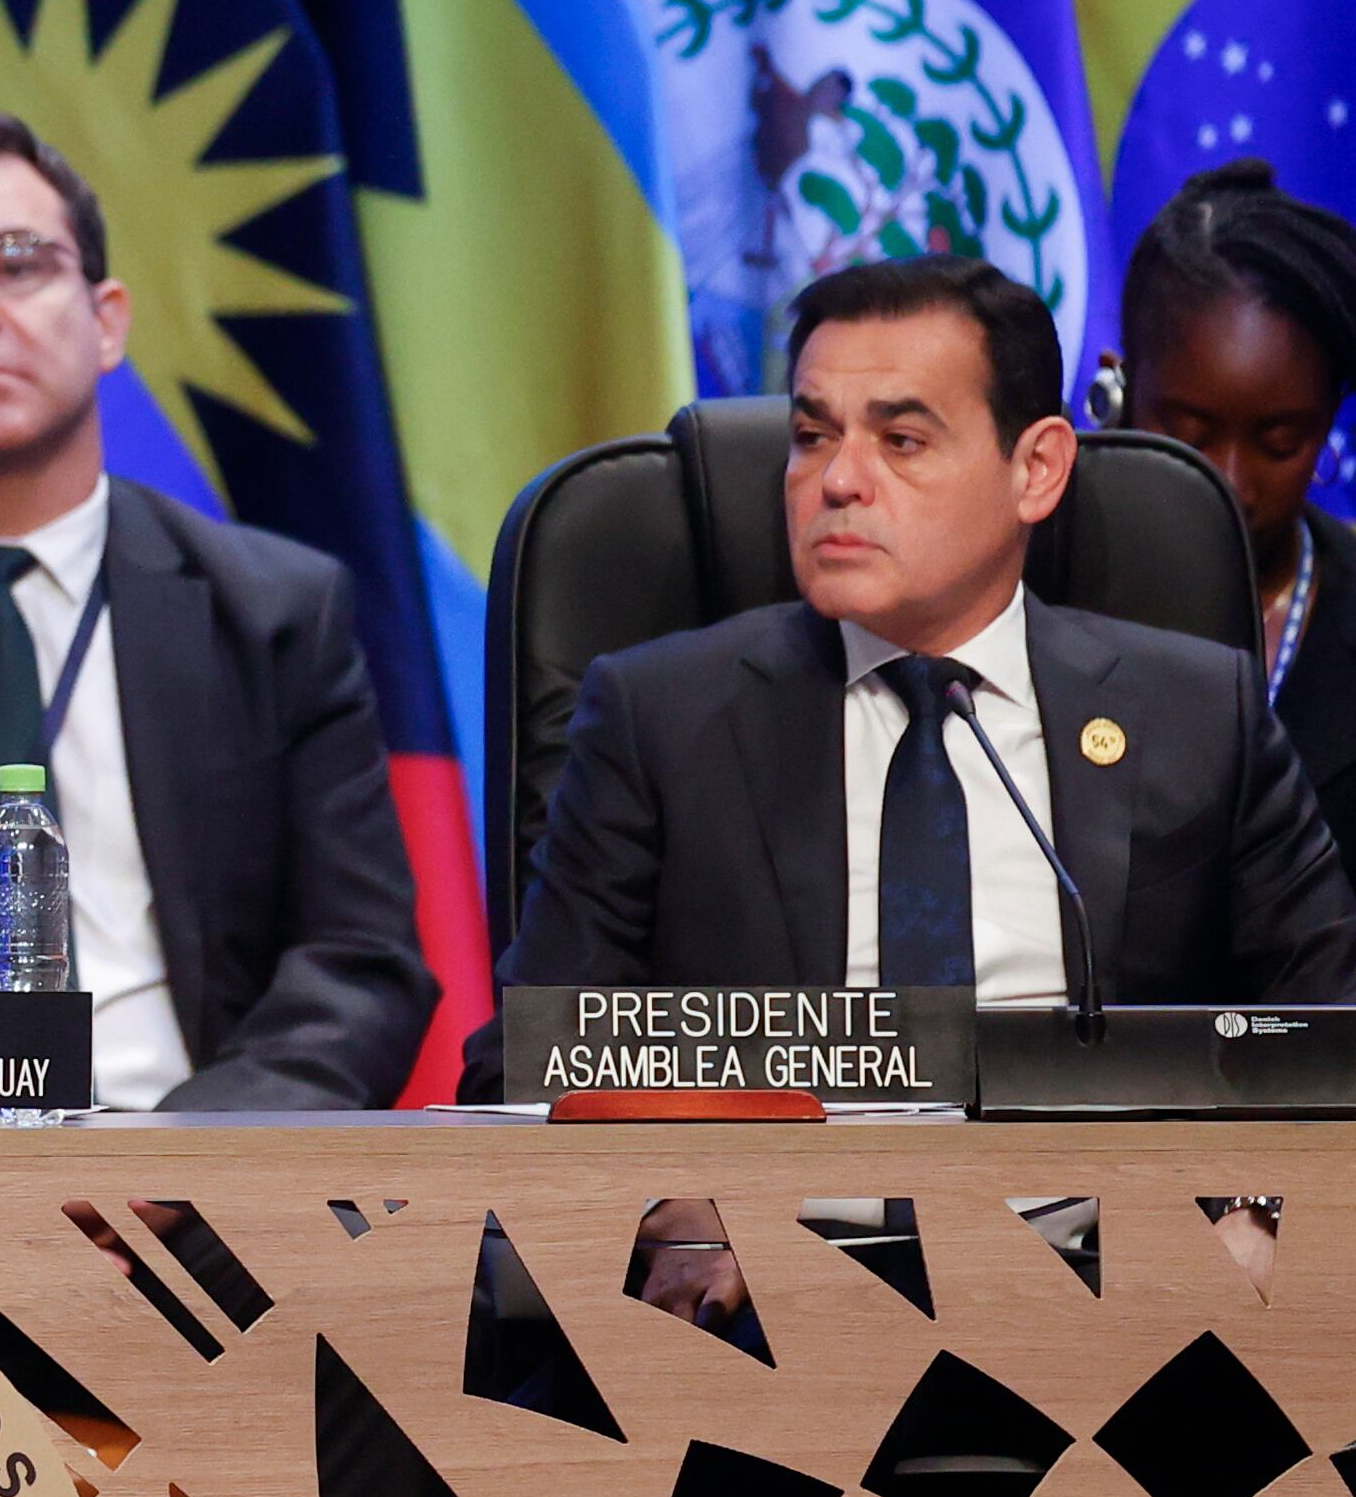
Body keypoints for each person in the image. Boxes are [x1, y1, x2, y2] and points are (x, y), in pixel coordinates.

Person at [489, 252, 1356, 1041]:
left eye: (901, 441)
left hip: (1105, 1213)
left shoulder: (1200, 715)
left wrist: (1250, 1214)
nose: (837, 480)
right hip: (767, 1211)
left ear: (1037, 470)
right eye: (812, 436)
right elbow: (524, 1071)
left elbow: (1332, 1038)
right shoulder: (661, 722)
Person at [0, 108, 435, 1109]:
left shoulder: (273, 610)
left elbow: (358, 961)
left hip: (207, 1178)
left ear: (106, 317)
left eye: (14, 262)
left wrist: (187, 1162)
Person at [1111, 157, 1356, 853]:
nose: (1229, 483)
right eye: (1189, 434)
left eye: (1279, 441)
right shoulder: (1025, 592)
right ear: (1118, 387)